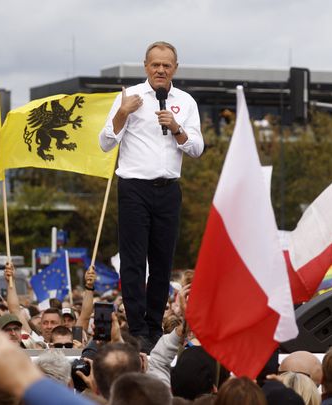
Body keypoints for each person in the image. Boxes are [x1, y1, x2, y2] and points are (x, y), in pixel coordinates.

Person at [98, 40, 204, 352]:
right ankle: (138, 327)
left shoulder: (185, 102)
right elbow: (106, 143)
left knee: (162, 262)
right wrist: (121, 113)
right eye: (155, 64)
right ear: (146, 66)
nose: (160, 70)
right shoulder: (129, 97)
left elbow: (197, 148)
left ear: (175, 69)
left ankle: (155, 326)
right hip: (134, 188)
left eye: (166, 65)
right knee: (134, 261)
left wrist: (177, 128)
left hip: (168, 189)